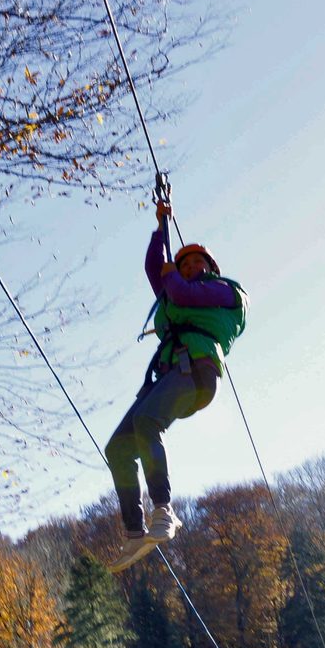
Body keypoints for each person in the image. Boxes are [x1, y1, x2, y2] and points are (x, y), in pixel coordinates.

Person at [105, 201, 248, 572]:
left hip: (196, 373)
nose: (188, 268)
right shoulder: (174, 289)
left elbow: (185, 294)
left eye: (196, 263)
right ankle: (135, 530)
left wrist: (174, 276)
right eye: (183, 264)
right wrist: (160, 225)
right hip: (168, 377)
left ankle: (164, 509)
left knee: (147, 423)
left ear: (211, 268)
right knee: (118, 448)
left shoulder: (227, 293)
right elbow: (156, 267)